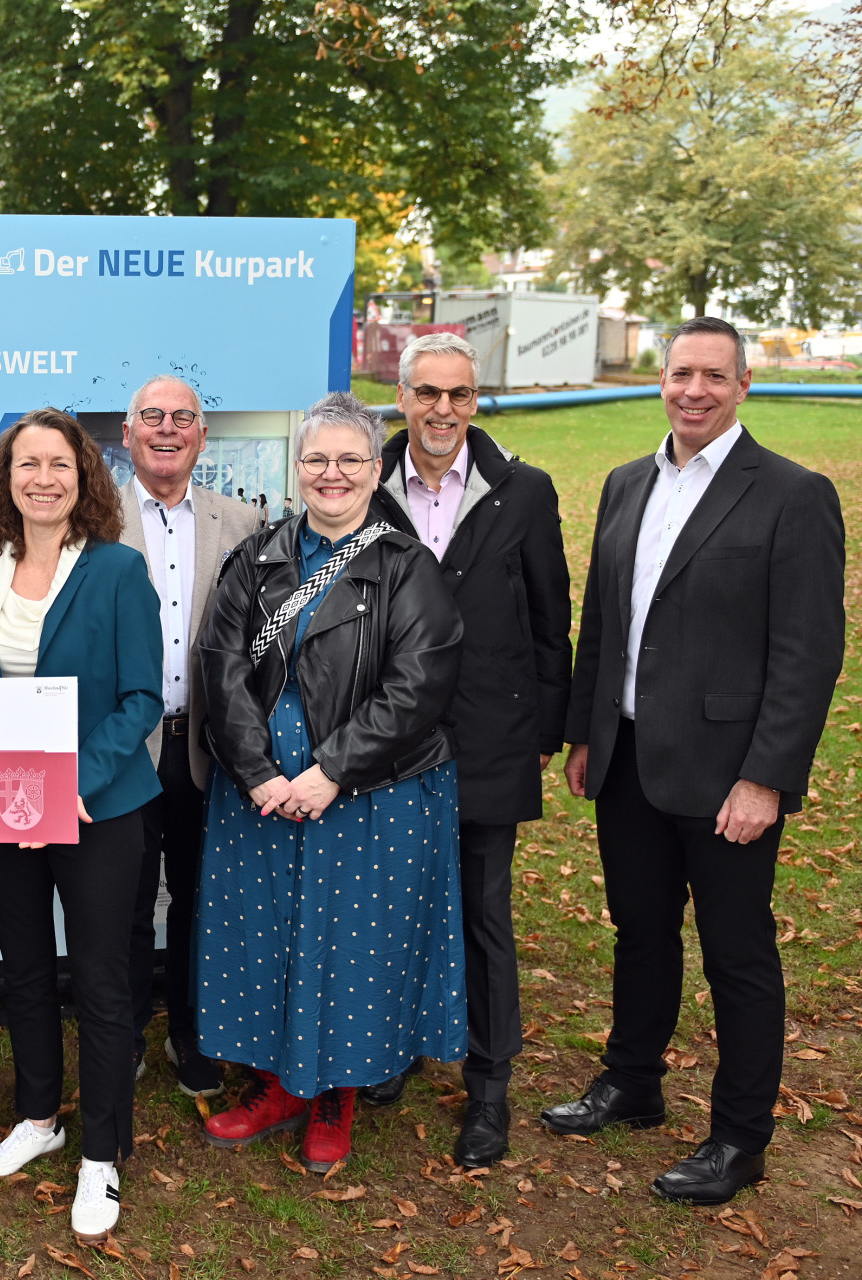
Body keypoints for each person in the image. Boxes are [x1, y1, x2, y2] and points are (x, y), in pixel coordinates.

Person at [549, 316, 845, 1205]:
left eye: (715, 376)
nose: (695, 391)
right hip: (629, 754)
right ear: (661, 380)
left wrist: (767, 777)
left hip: (727, 774)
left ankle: (738, 1137)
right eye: (681, 373)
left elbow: (808, 653)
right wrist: (586, 730)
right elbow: (604, 619)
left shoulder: (792, 494)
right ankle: (633, 1080)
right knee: (639, 931)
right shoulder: (625, 482)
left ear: (744, 385)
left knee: (736, 954)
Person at [193, 391, 465, 1173]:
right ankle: (278, 1083)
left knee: (350, 948)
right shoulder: (261, 556)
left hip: (369, 792)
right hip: (262, 795)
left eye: (351, 459)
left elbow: (418, 685)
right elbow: (222, 667)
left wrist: (330, 773)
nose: (333, 474)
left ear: (376, 468)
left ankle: (337, 1095)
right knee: (268, 937)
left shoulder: (406, 566)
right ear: (297, 467)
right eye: (317, 459)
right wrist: (257, 773)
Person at [0, 408, 163, 1242]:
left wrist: (81, 778)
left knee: (105, 982)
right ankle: (39, 1119)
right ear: (5, 479)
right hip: (9, 798)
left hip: (98, 804)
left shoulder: (116, 570)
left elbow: (144, 696)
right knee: (25, 966)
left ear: (85, 478)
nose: (43, 478)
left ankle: (103, 1156)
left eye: (59, 465)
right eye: (26, 464)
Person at [364, 333, 572, 1166]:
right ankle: (395, 1054)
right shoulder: (360, 486)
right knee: (395, 905)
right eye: (426, 393)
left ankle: (489, 1086)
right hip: (385, 747)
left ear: (475, 401)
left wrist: (545, 737)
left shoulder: (525, 492)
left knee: (483, 916)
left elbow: (551, 624)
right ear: (403, 398)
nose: (441, 409)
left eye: (457, 394)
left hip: (490, 741)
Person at [115, 376, 258, 1097]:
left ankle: (192, 1034)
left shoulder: (244, 525)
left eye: (182, 419)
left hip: (209, 745)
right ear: (127, 433)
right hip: (124, 746)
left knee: (203, 900)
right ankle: (129, 1031)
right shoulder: (91, 518)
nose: (166, 429)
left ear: (203, 436)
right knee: (127, 899)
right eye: (152, 417)